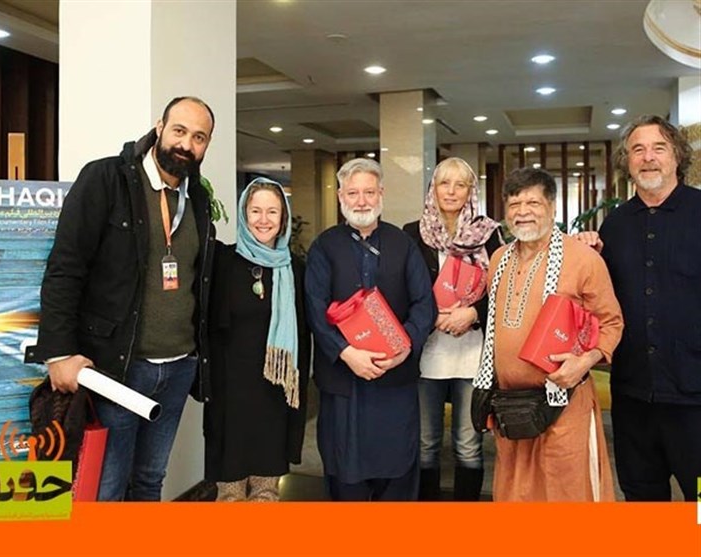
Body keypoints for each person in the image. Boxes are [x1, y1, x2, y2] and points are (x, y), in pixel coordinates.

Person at [33, 96, 217, 501]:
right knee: (107, 488)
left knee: (150, 479)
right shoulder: (106, 179)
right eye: (179, 131)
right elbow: (65, 267)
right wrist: (58, 352)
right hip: (118, 367)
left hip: (178, 367)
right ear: (160, 127)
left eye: (199, 137)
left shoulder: (198, 199)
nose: (186, 144)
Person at [472, 167, 623, 501]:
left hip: (563, 404)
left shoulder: (583, 259)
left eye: (533, 203)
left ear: (552, 207)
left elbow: (611, 323)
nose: (522, 212)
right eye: (514, 204)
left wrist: (584, 362)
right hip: (510, 407)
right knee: (516, 494)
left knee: (564, 493)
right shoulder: (498, 259)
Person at [576, 115, 701, 501]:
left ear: (677, 156)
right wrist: (586, 258)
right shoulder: (614, 226)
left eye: (658, 148)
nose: (648, 158)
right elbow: (599, 305)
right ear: (627, 161)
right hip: (633, 396)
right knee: (643, 499)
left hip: (695, 397)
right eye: (638, 150)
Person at [305, 158, 435, 501]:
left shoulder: (403, 243)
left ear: (381, 194)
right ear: (340, 197)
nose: (361, 201)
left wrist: (404, 347)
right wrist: (347, 353)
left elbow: (425, 304)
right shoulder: (324, 246)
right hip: (343, 382)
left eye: (369, 192)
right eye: (353, 193)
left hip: (395, 382)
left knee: (398, 475)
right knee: (344, 476)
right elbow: (314, 309)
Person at [403, 157, 503, 501]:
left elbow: (502, 288)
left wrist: (473, 313)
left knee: (468, 444)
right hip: (427, 353)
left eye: (460, 185)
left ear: (470, 191)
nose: (451, 191)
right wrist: (429, 316)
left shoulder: (488, 234)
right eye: (444, 183)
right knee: (425, 443)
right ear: (433, 188)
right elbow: (402, 288)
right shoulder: (412, 233)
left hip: (471, 353)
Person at [204, 178, 310, 502]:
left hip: (274, 395)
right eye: (256, 211)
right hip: (229, 396)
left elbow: (305, 336)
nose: (264, 219)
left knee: (266, 493)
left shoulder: (295, 269)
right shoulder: (221, 262)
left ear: (283, 218)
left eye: (272, 211)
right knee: (230, 494)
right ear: (244, 213)